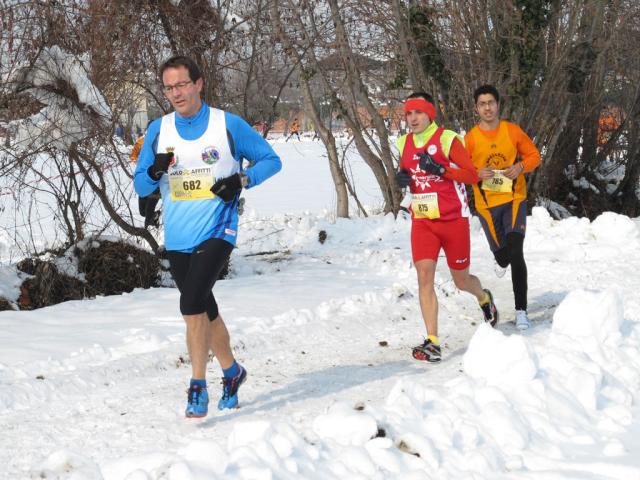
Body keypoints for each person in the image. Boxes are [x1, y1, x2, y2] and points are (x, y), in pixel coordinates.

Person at [134, 56, 281, 418]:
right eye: (169, 87)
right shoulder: (158, 129)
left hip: (218, 228)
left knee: (191, 303)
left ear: (199, 84)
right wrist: (153, 172)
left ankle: (197, 386)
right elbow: (140, 182)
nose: (176, 93)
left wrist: (241, 180)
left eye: (182, 84)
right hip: (179, 233)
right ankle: (232, 372)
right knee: (205, 308)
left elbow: (270, 160)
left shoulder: (226, 124)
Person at [396, 92, 498, 363]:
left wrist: (442, 170)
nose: (413, 118)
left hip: (453, 219)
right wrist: (401, 177)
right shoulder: (403, 142)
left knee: (461, 280)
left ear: (430, 113)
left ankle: (483, 296)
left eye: (418, 112)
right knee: (424, 276)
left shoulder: (447, 139)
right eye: (408, 113)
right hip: (423, 220)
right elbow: (404, 170)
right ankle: (433, 341)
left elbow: (472, 175)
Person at [464, 84, 540, 330]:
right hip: (487, 206)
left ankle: (521, 311)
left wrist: (520, 167)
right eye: (482, 104)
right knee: (503, 255)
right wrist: (476, 173)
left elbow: (534, 156)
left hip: (514, 198)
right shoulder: (470, 139)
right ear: (477, 108)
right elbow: (460, 171)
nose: (487, 107)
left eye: (491, 103)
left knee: (517, 252)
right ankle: (500, 258)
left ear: (498, 105)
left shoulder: (512, 131)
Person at [130, 121, 161, 228]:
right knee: (142, 212)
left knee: (148, 214)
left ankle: (153, 225)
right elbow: (133, 156)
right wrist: (141, 160)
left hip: (156, 181)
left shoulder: (162, 141)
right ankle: (156, 215)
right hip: (144, 178)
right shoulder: (140, 142)